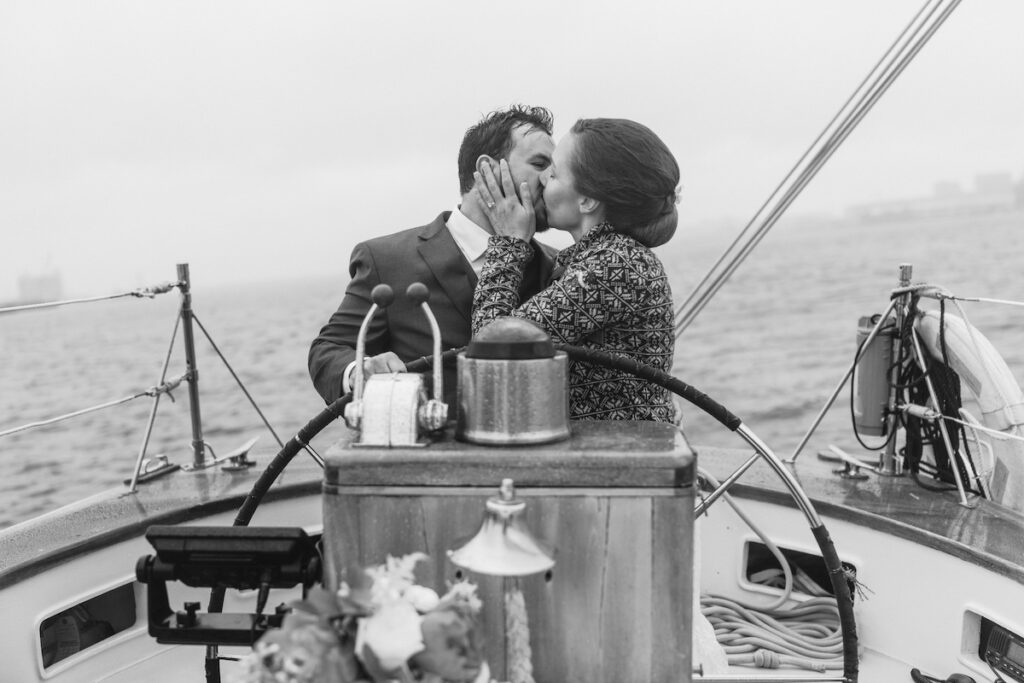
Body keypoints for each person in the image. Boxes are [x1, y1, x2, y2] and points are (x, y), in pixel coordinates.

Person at [309, 105, 558, 407]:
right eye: (539, 164)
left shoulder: (558, 266)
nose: (550, 179)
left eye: (554, 169)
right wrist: (358, 370)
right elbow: (329, 349)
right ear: (488, 170)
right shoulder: (386, 260)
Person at [471, 118, 679, 421]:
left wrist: (509, 242)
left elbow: (490, 345)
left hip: (622, 448)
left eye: (554, 173)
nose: (543, 180)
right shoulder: (606, 256)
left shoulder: (614, 265)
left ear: (587, 200)